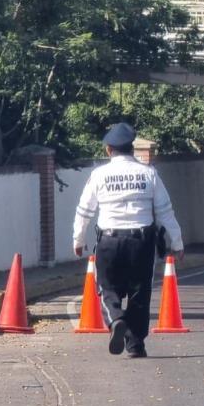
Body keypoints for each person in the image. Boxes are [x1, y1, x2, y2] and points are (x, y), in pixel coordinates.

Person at [73, 123, 184, 358]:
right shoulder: (148, 173)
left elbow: (84, 211)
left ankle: (115, 318)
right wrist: (177, 243)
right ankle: (135, 345)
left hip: (109, 240)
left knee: (106, 287)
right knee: (139, 293)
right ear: (131, 149)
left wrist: (78, 239)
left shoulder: (99, 174)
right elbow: (165, 211)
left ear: (108, 150)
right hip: (141, 242)